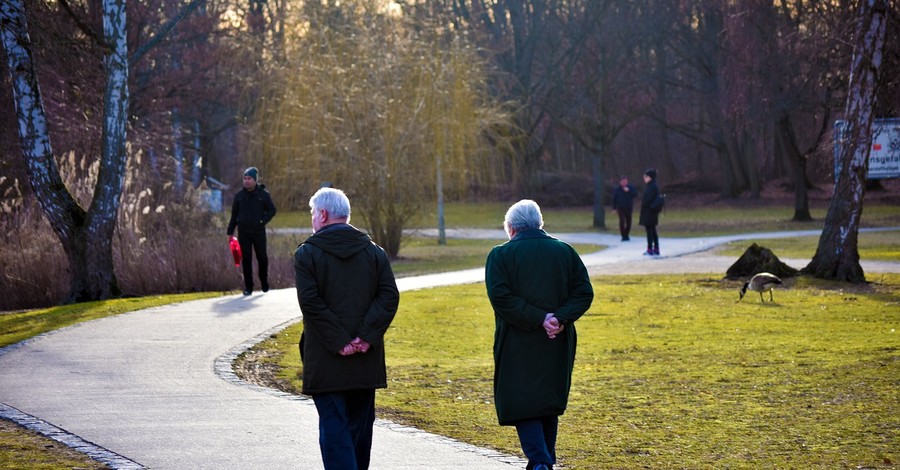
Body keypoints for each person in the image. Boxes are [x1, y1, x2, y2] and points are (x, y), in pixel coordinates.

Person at [294, 187, 400, 470]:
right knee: (359, 429)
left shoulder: (307, 254)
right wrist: (364, 337)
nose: (313, 218)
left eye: (313, 213)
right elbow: (388, 296)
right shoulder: (374, 252)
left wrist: (341, 341)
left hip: (326, 359)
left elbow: (311, 303)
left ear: (324, 214)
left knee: (334, 429)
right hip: (365, 360)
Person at [485, 200, 594, 470]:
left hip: (517, 340)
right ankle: (546, 461)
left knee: (523, 401)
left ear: (511, 228)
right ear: (539, 223)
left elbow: (501, 297)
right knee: (547, 400)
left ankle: (540, 461)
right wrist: (558, 318)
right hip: (557, 338)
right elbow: (583, 293)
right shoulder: (565, 252)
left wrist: (538, 318)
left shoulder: (500, 255)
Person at [227, 167, 276, 295]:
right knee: (246, 259)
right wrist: (230, 232)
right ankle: (249, 287)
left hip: (258, 232)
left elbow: (272, 210)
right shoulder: (239, 196)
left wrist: (262, 221)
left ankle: (264, 281)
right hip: (243, 232)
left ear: (255, 180)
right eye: (245, 178)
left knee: (262, 258)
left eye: (249, 179)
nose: (246, 181)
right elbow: (234, 215)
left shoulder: (263, 195)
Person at [639, 168, 663, 256]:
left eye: (646, 176)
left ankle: (650, 249)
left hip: (649, 212)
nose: (644, 178)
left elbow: (647, 200)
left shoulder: (651, 187)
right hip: (651, 212)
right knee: (653, 230)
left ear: (650, 177)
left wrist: (644, 204)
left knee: (650, 231)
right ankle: (656, 248)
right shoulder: (653, 186)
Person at [611, 175, 638, 241]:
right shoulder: (617, 190)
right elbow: (614, 199)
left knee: (629, 222)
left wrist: (629, 191)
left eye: (625, 181)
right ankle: (623, 235)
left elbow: (635, 195)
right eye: (623, 182)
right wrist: (614, 208)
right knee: (622, 221)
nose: (624, 183)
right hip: (620, 208)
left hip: (629, 208)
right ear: (620, 182)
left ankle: (626, 234)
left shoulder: (630, 188)